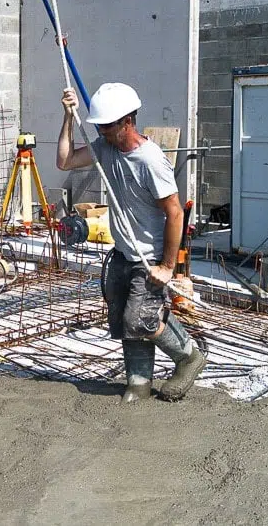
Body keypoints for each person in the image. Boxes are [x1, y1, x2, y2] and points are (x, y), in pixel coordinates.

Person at [56, 82, 207, 403]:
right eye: (99, 126)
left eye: (106, 126)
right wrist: (69, 116)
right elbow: (65, 161)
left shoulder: (150, 161)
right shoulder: (105, 148)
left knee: (140, 319)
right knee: (125, 317)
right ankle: (139, 382)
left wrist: (167, 266)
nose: (101, 131)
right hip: (123, 252)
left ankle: (188, 357)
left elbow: (175, 212)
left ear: (127, 121)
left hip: (149, 256)